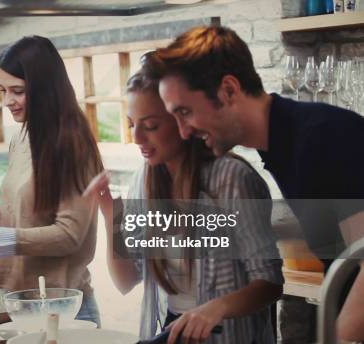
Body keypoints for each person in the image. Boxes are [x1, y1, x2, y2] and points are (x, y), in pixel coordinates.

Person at [151, 25, 364, 341]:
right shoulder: (283, 145)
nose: (183, 131)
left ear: (229, 90)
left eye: (185, 112)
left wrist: (341, 336)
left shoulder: (320, 137)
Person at [84, 67, 283, 343]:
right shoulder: (146, 179)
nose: (137, 138)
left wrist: (217, 308)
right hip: (173, 329)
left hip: (229, 335)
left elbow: (270, 284)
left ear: (182, 120)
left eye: (151, 126)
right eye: (132, 125)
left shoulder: (232, 180)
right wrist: (111, 217)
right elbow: (126, 281)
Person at [0, 35, 104, 326]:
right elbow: (36, 214)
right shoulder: (24, 136)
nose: (7, 102)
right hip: (20, 302)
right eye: (3, 90)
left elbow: (69, 235)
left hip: (62, 310)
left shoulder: (71, 144)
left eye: (18, 91)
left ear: (45, 90)